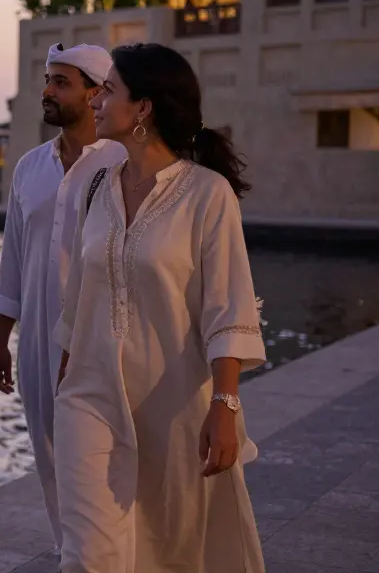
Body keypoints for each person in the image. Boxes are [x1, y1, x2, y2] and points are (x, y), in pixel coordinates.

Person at [54, 43, 266, 572]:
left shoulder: (207, 196)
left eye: (110, 90)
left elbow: (228, 306)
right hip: (90, 395)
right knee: (87, 556)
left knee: (170, 553)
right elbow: (79, 293)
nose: (97, 99)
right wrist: (65, 372)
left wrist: (225, 404)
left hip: (173, 403)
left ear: (143, 107)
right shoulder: (98, 188)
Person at [0, 43, 126, 553]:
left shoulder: (121, 164)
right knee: (47, 459)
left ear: (95, 93)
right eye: (47, 80)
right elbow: (14, 260)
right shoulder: (28, 167)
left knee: (98, 460)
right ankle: (71, 555)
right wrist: (2, 341)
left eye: (60, 83)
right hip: (35, 345)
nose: (46, 92)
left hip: (99, 344)